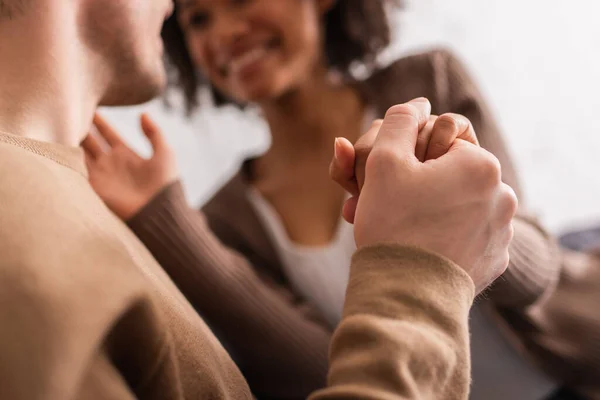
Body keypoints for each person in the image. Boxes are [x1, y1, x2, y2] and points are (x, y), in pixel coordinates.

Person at [0, 0, 518, 398]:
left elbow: (528, 264)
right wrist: (425, 266)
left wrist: (466, 220)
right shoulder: (219, 215)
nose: (223, 32)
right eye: (198, 19)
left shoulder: (426, 81)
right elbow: (324, 369)